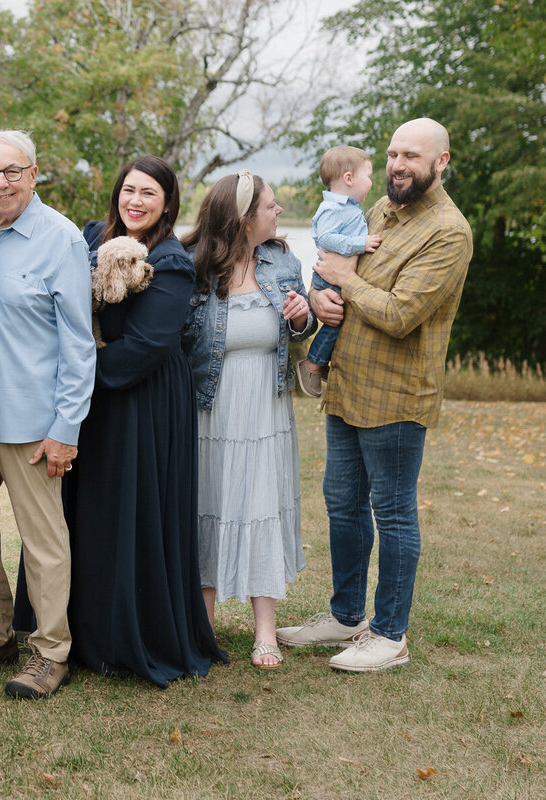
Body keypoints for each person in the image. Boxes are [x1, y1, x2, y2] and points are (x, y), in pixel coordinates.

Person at [278, 118, 472, 672]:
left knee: (391, 512)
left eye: (411, 155)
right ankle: (345, 616)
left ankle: (389, 635)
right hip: (347, 386)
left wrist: (347, 280)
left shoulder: (447, 232)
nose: (397, 165)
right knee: (342, 506)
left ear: (441, 161)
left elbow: (400, 313)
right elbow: (340, 276)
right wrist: (322, 301)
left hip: (397, 395)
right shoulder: (382, 210)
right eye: (391, 154)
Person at [65, 156, 226, 683]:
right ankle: (80, 632)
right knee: (89, 510)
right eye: (128, 190)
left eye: (149, 193)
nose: (135, 200)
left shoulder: (172, 262)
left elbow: (148, 344)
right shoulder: (92, 239)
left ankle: (130, 636)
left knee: (131, 510)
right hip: (93, 398)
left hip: (141, 399)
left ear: (167, 203)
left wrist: (77, 375)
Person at [0, 130, 95, 700]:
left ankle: (50, 652)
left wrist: (66, 427)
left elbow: (79, 344)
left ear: (34, 173)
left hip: (33, 422)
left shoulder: (60, 239)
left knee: (43, 539)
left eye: (12, 171)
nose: (1, 183)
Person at [180, 170, 317, 669]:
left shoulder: (281, 259)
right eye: (271, 205)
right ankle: (203, 624)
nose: (278, 212)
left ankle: (265, 632)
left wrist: (301, 316)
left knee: (262, 504)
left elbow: (302, 328)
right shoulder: (194, 264)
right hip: (210, 409)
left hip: (266, 405)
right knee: (207, 505)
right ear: (243, 218)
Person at [295, 146, 383, 397]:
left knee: (344, 320)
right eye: (368, 177)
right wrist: (361, 244)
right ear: (348, 179)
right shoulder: (333, 209)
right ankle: (312, 365)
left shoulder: (349, 207)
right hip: (330, 277)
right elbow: (326, 238)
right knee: (337, 323)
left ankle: (322, 361)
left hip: (335, 275)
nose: (371, 183)